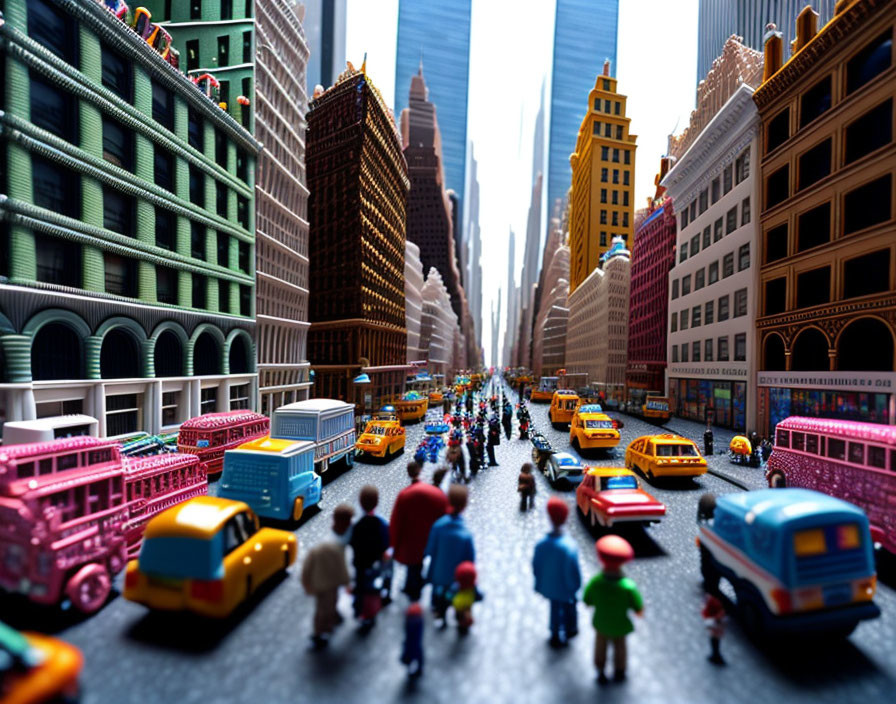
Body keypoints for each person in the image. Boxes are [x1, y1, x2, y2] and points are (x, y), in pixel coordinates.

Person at [583, 535, 643, 684]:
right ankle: (620, 670)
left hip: (601, 623)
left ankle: (600, 669)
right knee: (620, 648)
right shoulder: (628, 587)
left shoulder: (596, 583)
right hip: (620, 624)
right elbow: (638, 608)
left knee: (600, 647)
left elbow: (587, 600)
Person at [390, 462, 449, 601]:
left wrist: (394, 544)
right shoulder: (437, 495)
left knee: (414, 565)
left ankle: (413, 588)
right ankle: (418, 585)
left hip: (412, 539)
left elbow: (396, 522)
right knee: (418, 564)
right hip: (428, 537)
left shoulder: (406, 494)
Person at [301, 504, 355, 650]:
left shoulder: (321, 546)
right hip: (330, 585)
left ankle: (326, 626)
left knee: (322, 608)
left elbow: (307, 567)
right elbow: (342, 569)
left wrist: (307, 584)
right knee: (325, 609)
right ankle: (321, 633)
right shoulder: (336, 548)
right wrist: (347, 584)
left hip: (320, 584)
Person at [533, 498, 582, 648]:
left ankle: (554, 631)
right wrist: (575, 586)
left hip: (550, 586)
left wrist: (539, 582)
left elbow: (536, 566)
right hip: (566, 589)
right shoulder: (569, 547)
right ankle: (568, 629)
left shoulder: (541, 545)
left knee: (554, 609)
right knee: (568, 608)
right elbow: (574, 571)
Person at [424, 485, 475, 626]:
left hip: (438, 575)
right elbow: (470, 560)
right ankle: (459, 617)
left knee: (439, 599)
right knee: (455, 598)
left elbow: (429, 549)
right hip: (456, 578)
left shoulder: (438, 526)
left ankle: (440, 615)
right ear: (464, 505)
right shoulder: (466, 534)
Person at [349, 486, 391, 628]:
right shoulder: (382, 523)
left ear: (360, 502)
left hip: (360, 562)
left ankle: (358, 608)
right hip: (376, 563)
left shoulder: (357, 524)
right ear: (377, 502)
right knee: (373, 587)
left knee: (360, 585)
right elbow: (386, 544)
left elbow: (352, 542)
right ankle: (371, 612)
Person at [451, 561, 482, 634]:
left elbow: (450, 593)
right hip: (468, 605)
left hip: (458, 606)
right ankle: (465, 626)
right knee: (466, 616)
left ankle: (460, 625)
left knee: (459, 616)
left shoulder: (457, 586)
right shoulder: (473, 588)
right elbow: (479, 596)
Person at [401, 603, 425, 678]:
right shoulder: (419, 620)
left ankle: (413, 668)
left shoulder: (410, 621)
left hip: (412, 643)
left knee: (414, 653)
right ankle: (417, 669)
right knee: (417, 653)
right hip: (415, 643)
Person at [702, 594, 726, 665]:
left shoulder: (716, 602)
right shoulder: (714, 600)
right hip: (716, 622)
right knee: (714, 639)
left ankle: (716, 656)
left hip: (716, 622)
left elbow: (720, 613)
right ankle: (716, 655)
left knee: (714, 639)